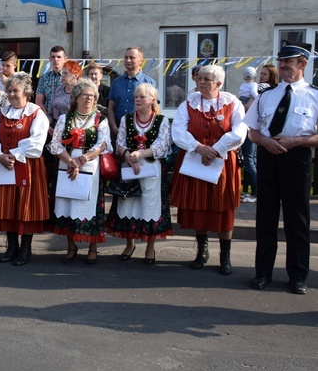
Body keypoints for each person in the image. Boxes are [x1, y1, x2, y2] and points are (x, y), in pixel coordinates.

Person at [244, 42, 318, 294]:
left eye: (289, 61)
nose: (283, 65)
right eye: (281, 61)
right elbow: (252, 131)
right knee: (266, 217)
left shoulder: (314, 95)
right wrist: (264, 141)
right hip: (268, 156)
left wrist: (296, 141)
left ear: (303, 64)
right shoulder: (266, 95)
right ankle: (262, 273)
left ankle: (298, 276)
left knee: (297, 219)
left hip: (296, 158)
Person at [171, 65, 246, 275]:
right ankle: (202, 251)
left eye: (207, 79)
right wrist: (200, 148)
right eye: (200, 78)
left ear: (219, 84)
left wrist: (217, 149)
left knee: (223, 208)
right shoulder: (189, 103)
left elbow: (240, 131)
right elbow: (178, 131)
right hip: (195, 160)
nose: (201, 82)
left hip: (223, 163)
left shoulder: (233, 103)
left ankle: (225, 255)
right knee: (199, 206)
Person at [0, 72, 50, 266]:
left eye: (16, 90)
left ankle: (25, 249)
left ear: (26, 92)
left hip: (27, 165)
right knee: (8, 206)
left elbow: (36, 143)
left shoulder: (36, 113)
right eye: (9, 91)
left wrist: (12, 154)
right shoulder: (0, 113)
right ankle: (11, 247)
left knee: (25, 207)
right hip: (4, 164)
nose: (12, 94)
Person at [107, 83, 173, 264]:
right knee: (129, 202)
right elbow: (120, 143)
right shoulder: (127, 119)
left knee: (150, 206)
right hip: (130, 168)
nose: (137, 100)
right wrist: (129, 156)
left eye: (142, 97)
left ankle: (150, 247)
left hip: (151, 170)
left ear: (152, 100)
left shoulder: (161, 120)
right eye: (136, 97)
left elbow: (162, 146)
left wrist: (141, 154)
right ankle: (130, 244)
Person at [49, 79, 111, 264]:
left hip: (90, 166)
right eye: (85, 95)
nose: (89, 98)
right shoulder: (64, 118)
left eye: (92, 95)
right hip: (66, 165)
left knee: (88, 205)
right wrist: (70, 161)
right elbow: (55, 144)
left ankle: (93, 248)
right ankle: (71, 246)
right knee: (68, 204)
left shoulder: (100, 119)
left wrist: (82, 160)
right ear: (76, 97)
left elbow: (103, 144)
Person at [107, 47, 156, 139]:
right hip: (118, 132)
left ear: (141, 61)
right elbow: (111, 108)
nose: (128, 60)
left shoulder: (149, 82)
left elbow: (155, 108)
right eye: (126, 57)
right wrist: (114, 129)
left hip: (142, 133)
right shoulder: (116, 82)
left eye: (132, 57)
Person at [238, 67, 260, 203]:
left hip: (248, 126)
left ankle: (257, 192)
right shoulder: (252, 87)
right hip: (248, 125)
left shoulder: (250, 87)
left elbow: (254, 101)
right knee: (252, 161)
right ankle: (256, 191)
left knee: (250, 161)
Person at [47, 60, 82, 127]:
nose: (62, 75)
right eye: (62, 73)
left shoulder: (80, 92)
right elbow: (50, 112)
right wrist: (47, 126)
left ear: (75, 75)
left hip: (73, 128)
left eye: (65, 73)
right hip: (55, 127)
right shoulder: (59, 90)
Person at [36, 45, 67, 116]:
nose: (56, 59)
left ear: (65, 59)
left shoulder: (69, 78)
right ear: (49, 59)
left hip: (64, 117)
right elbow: (39, 102)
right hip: (47, 117)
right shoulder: (44, 78)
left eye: (59, 57)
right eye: (53, 57)